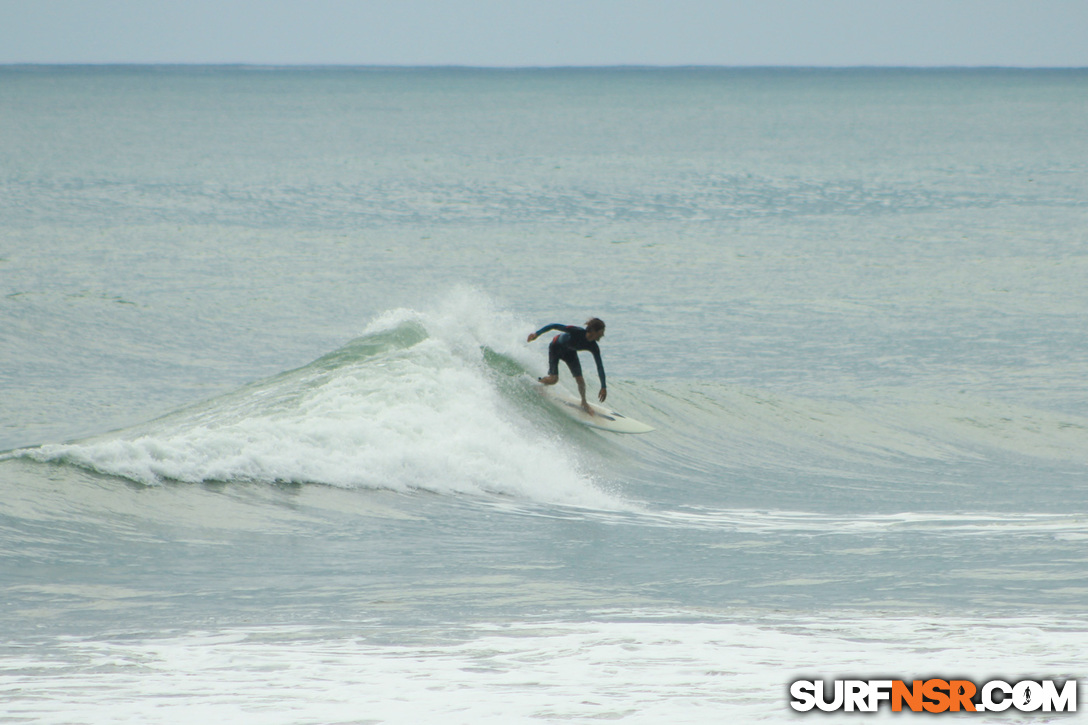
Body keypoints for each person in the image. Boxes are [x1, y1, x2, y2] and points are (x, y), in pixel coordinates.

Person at [527, 318, 607, 414]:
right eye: (601, 332)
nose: (603, 335)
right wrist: (536, 334)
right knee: (553, 380)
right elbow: (554, 325)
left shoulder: (593, 346)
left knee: (580, 381)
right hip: (555, 348)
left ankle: (584, 402)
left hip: (570, 353)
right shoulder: (577, 331)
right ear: (594, 330)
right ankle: (537, 384)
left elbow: (599, 366)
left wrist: (603, 387)